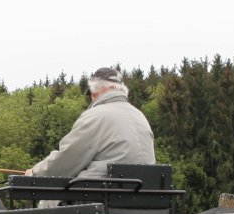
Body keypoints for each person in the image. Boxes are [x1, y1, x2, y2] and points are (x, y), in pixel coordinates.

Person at [27, 66, 155, 179]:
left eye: (92, 94)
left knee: (48, 200)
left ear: (95, 92)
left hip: (101, 195)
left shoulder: (96, 116)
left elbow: (68, 158)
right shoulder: (140, 116)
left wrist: (35, 173)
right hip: (145, 196)